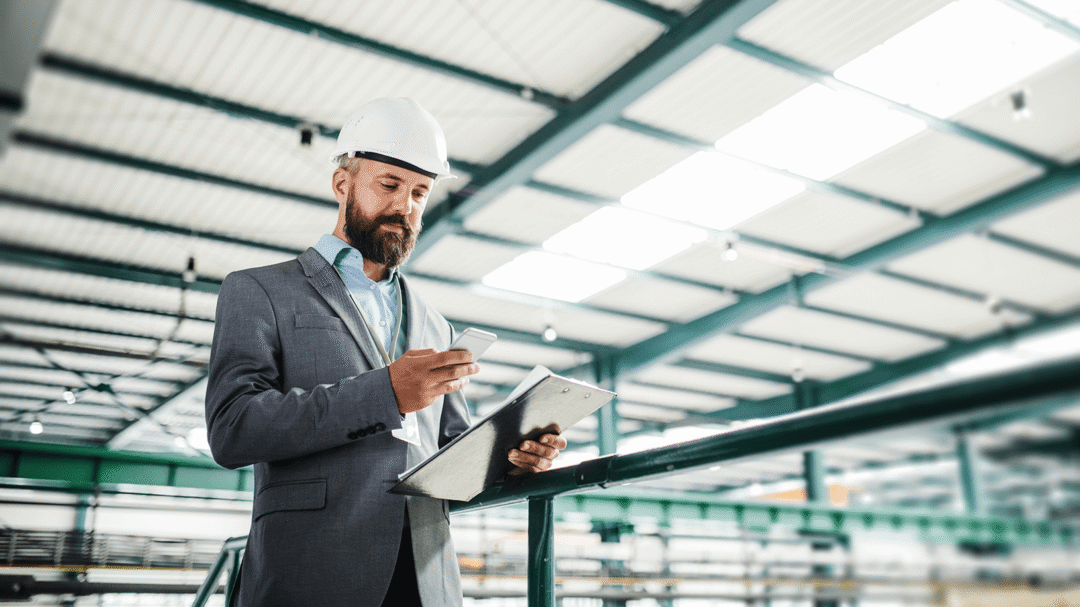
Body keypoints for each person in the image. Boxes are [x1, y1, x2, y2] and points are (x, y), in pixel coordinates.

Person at [205, 97, 567, 607]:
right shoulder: (260, 292)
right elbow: (232, 429)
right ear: (342, 184)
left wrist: (513, 457)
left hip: (426, 576)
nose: (406, 206)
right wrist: (386, 392)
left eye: (420, 192)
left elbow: (451, 452)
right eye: (390, 185)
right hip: (312, 573)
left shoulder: (435, 323)